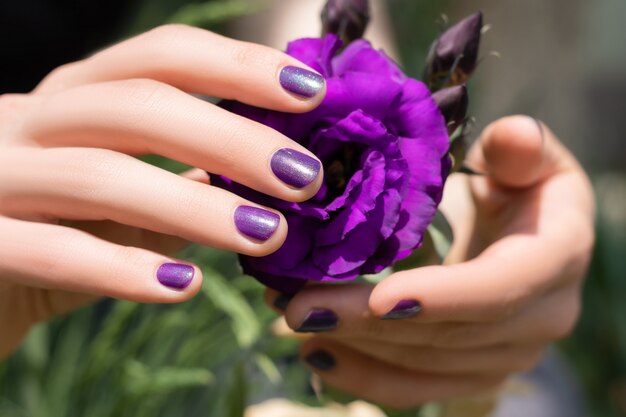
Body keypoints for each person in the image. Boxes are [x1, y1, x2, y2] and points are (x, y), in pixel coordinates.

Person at [0, 22, 594, 411]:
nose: (326, 178)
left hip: (149, 234)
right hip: (95, 297)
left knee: (538, 401)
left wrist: (441, 212)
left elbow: (298, 29)